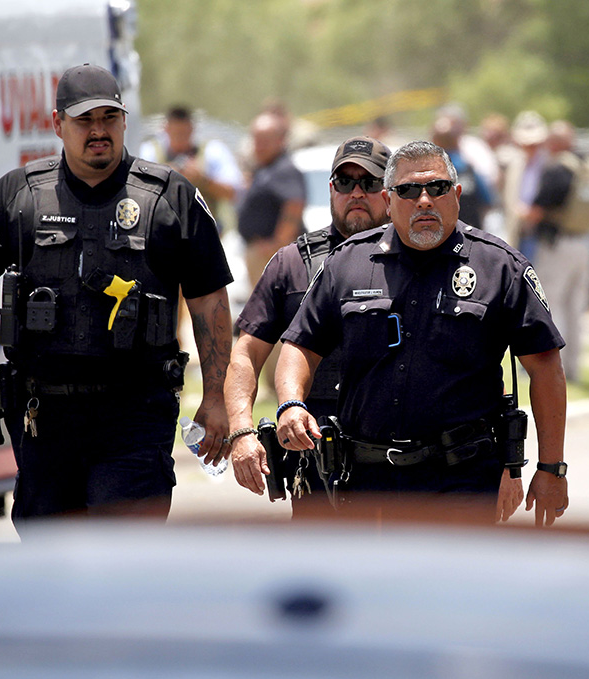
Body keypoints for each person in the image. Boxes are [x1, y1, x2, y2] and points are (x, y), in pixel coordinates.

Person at [0, 64, 234, 530]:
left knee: (120, 558)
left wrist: (217, 397)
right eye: (85, 120)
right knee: (49, 567)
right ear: (58, 124)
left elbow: (209, 301)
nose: (98, 130)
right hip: (45, 419)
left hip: (135, 415)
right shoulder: (18, 197)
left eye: (109, 117)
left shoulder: (170, 198)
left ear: (124, 121)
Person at [274, 140, 568, 526]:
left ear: (457, 195)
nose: (425, 200)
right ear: (388, 199)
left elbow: (545, 367)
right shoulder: (348, 263)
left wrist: (551, 468)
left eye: (438, 188)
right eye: (409, 190)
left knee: (451, 588)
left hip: (462, 480)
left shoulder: (500, 267)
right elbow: (299, 345)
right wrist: (290, 403)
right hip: (365, 482)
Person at [224, 136, 392, 516]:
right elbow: (246, 353)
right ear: (332, 190)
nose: (356, 193)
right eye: (345, 183)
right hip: (316, 452)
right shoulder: (293, 263)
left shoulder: (417, 258)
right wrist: (241, 432)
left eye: (370, 183)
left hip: (398, 454)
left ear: (389, 191)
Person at [524, 121, 589, 384]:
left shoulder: (559, 168)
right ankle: (574, 371)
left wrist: (519, 217)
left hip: (558, 244)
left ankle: (554, 369)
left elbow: (537, 209)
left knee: (552, 305)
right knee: (576, 309)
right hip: (585, 243)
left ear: (556, 143)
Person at [139, 105, 242, 229]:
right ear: (166, 129)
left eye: (183, 133)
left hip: (205, 231)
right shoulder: (150, 151)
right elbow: (138, 189)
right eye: (176, 133)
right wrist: (167, 175)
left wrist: (202, 180)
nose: (180, 138)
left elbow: (233, 192)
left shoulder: (213, 151)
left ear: (192, 129)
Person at [236, 112, 306, 286]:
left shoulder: (284, 169)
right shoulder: (265, 168)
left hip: (272, 256)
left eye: (265, 141)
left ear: (280, 141)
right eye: (257, 140)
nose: (259, 146)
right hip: (262, 254)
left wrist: (276, 245)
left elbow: (294, 205)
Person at [502, 110, 549, 256]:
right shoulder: (515, 164)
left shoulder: (548, 165)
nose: (530, 147)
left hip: (541, 233)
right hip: (518, 230)